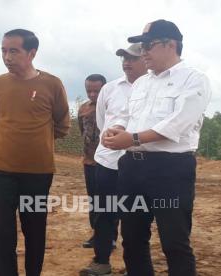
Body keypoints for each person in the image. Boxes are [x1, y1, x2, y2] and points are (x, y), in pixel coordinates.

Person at [103, 19, 212, 276]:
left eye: (148, 46)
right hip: (132, 169)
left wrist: (133, 138)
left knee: (174, 241)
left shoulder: (194, 80)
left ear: (170, 45)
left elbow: (178, 125)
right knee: (132, 240)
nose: (143, 53)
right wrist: (118, 129)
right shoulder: (142, 83)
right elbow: (131, 118)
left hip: (169, 171)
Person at [0, 28, 70, 276]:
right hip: (1, 172)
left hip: (37, 173)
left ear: (32, 53)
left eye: (14, 51)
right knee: (2, 232)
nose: (7, 57)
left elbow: (62, 123)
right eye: (3, 50)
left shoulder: (52, 84)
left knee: (34, 229)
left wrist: (36, 141)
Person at [80, 43, 147, 275]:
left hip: (139, 162)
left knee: (134, 216)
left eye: (133, 58)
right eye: (124, 58)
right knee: (103, 212)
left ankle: (135, 266)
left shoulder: (151, 87)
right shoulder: (110, 89)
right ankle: (101, 261)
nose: (127, 62)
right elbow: (101, 122)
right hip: (107, 161)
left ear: (146, 59)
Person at [78, 74, 106, 249]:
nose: (93, 94)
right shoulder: (83, 108)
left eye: (97, 90)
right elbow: (82, 132)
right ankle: (97, 234)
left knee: (108, 201)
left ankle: (108, 236)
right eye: (89, 90)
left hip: (107, 162)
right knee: (93, 200)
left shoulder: (110, 107)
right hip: (89, 161)